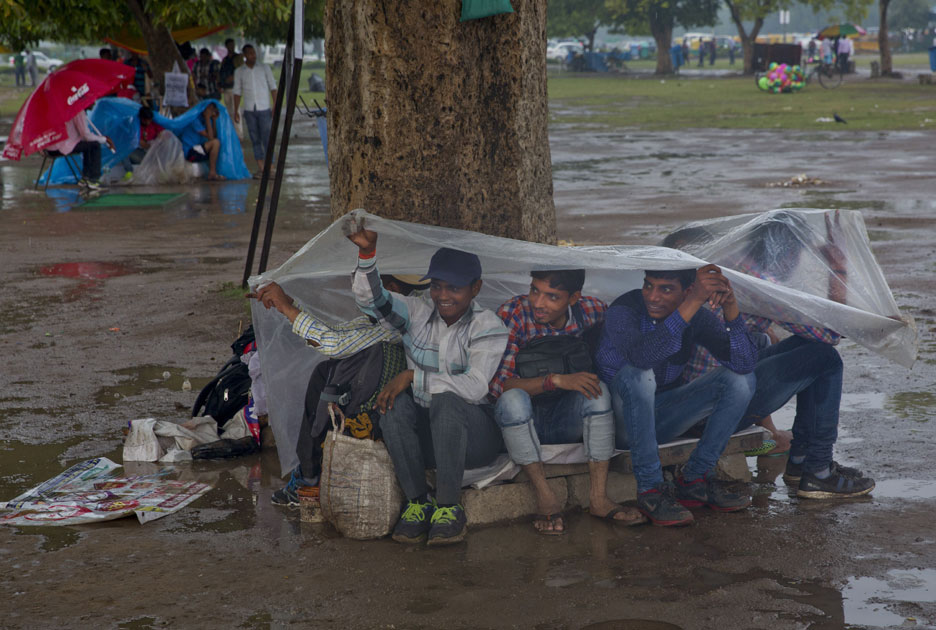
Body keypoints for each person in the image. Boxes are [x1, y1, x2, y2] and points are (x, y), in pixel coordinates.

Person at [677, 213, 876, 499]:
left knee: (804, 347)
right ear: (788, 254)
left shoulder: (734, 268)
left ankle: (800, 462)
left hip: (693, 400)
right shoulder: (759, 283)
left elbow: (812, 331)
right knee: (825, 358)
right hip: (710, 412)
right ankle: (818, 470)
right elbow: (831, 335)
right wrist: (837, 269)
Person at [347, 218, 509, 546]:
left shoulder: (488, 326)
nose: (442, 295)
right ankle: (418, 503)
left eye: (454, 287)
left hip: (473, 439)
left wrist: (412, 376)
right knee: (392, 405)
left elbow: (475, 386)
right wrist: (368, 254)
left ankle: (449, 507)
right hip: (429, 438)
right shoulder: (418, 312)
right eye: (436, 285)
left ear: (476, 288)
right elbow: (373, 302)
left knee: (448, 399)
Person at [596, 265, 757, 526]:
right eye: (648, 285)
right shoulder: (624, 309)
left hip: (660, 418)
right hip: (620, 424)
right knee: (640, 375)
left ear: (688, 290)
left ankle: (695, 479)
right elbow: (642, 357)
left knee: (740, 380)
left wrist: (731, 309)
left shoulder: (696, 316)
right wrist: (693, 301)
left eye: (666, 289)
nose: (652, 296)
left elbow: (745, 363)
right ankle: (650, 491)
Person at [249, 275, 430, 506]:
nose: (358, 295)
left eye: (365, 289)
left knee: (336, 369)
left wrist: (286, 308)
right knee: (325, 371)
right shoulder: (384, 320)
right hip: (380, 406)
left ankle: (311, 476)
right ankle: (309, 473)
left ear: (391, 289)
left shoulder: (397, 327)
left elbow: (332, 342)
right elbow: (337, 332)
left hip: (386, 415)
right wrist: (291, 305)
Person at [490, 270, 646, 535]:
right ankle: (545, 496)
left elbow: (627, 334)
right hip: (525, 422)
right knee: (512, 398)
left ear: (574, 298)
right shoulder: (514, 313)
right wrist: (555, 380)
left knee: (598, 391)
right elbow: (497, 386)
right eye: (535, 290)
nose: (538, 303)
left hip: (567, 419)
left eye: (552, 297)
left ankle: (598, 498)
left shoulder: (592, 311)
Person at [233, 44, 277, 177]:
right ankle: (261, 168)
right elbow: (237, 92)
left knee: (267, 138)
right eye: (250, 53)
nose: (253, 56)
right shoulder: (240, 72)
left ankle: (270, 166)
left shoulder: (264, 68)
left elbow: (273, 87)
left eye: (254, 53)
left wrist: (275, 105)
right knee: (254, 138)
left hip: (264, 108)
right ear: (245, 56)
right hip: (249, 109)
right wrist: (236, 111)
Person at [45, 108, 116, 190]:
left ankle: (86, 178)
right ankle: (93, 179)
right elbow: (86, 135)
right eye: (92, 102)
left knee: (89, 145)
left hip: (49, 149)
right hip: (60, 147)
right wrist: (104, 139)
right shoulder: (78, 111)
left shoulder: (63, 110)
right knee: (95, 145)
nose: (93, 104)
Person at [180, 103, 223, 180]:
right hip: (190, 152)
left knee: (217, 143)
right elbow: (211, 138)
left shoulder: (206, 119)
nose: (211, 112)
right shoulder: (195, 119)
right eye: (209, 109)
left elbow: (214, 136)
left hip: (198, 149)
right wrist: (207, 117)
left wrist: (213, 120)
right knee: (215, 143)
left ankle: (213, 171)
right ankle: (212, 173)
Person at [121, 107, 164, 179]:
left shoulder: (154, 124)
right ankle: (129, 172)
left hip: (152, 156)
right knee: (122, 150)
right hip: (140, 155)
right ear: (141, 118)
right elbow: (141, 143)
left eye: (149, 120)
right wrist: (150, 145)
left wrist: (158, 141)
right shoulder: (135, 126)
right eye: (146, 120)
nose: (148, 122)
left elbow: (162, 134)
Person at [219, 38, 243, 137]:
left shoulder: (238, 58)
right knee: (229, 110)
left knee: (236, 110)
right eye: (229, 45)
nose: (231, 47)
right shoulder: (225, 60)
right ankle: (233, 132)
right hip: (226, 87)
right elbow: (221, 73)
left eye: (232, 45)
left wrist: (233, 77)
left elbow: (241, 70)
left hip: (235, 88)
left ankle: (239, 133)